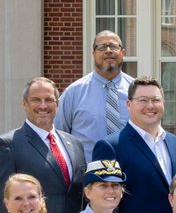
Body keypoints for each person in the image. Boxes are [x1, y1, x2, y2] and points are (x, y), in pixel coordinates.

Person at [92, 76, 176, 213]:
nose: (150, 106)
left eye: (155, 100)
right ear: (128, 104)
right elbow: (102, 202)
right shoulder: (111, 146)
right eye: (143, 100)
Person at [0, 77, 86, 213]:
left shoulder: (75, 144)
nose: (43, 106)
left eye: (49, 100)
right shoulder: (7, 145)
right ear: (24, 103)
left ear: (57, 104)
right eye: (36, 100)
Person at [55, 31, 135, 161]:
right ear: (93, 54)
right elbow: (58, 135)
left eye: (113, 46)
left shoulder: (136, 91)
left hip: (132, 173)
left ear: (123, 53)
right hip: (88, 176)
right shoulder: (74, 93)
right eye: (102, 47)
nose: (108, 51)